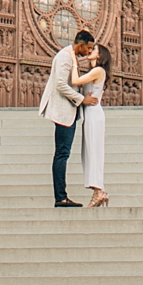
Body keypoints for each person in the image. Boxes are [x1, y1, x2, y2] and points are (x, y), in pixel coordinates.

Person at [38, 29, 95, 207]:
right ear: (80, 45)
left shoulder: (70, 56)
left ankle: (61, 196)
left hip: (69, 112)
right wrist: (81, 99)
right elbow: (61, 84)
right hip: (64, 112)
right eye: (89, 48)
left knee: (63, 153)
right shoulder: (65, 56)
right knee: (62, 154)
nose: (89, 52)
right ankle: (60, 197)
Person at [73, 42, 111, 208]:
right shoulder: (95, 71)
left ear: (99, 55)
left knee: (94, 152)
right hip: (89, 113)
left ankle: (99, 191)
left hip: (94, 114)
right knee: (90, 152)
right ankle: (98, 191)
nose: (90, 51)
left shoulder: (98, 70)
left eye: (93, 49)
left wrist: (72, 59)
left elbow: (75, 80)